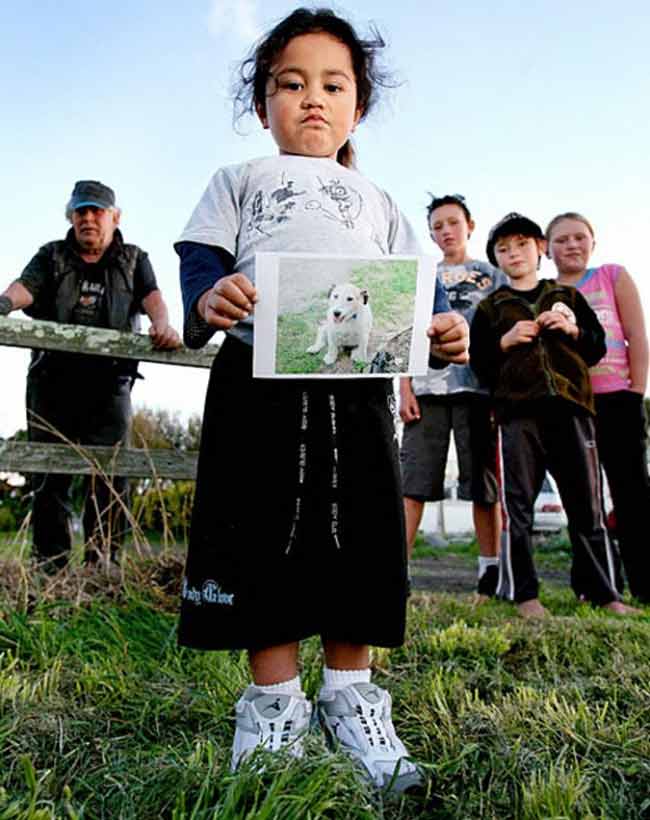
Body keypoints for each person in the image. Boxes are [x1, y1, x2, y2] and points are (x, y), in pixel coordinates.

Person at [174, 7, 468, 791]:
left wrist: (444, 329)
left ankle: (351, 698)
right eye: (291, 83)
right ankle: (272, 706)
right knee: (258, 527)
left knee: (363, 530)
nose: (312, 98)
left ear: (356, 108)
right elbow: (200, 266)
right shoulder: (237, 182)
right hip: (255, 389)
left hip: (357, 393)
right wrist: (211, 298)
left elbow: (422, 291)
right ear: (262, 103)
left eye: (332, 85)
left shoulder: (378, 200)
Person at [0, 180, 181, 570]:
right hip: (51, 382)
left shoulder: (133, 259)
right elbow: (25, 288)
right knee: (49, 475)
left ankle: (103, 566)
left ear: (114, 217)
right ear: (71, 216)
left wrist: (163, 324)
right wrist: (3, 303)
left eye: (96, 211)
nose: (87, 218)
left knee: (111, 477)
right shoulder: (52, 255)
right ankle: (51, 568)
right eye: (80, 211)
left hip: (109, 385)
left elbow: (153, 297)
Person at [469, 212, 637, 618]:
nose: (514, 254)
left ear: (540, 248)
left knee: (587, 504)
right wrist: (506, 342)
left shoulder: (567, 297)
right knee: (519, 506)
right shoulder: (492, 307)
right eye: (503, 249)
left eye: (522, 245)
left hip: (571, 409)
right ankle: (524, 595)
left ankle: (606, 593)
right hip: (517, 414)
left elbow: (596, 347)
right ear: (495, 258)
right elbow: (481, 366)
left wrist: (572, 331)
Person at [399, 194, 507, 598]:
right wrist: (405, 386)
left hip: (478, 391)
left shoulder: (491, 275)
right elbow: (405, 334)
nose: (446, 231)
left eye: (452, 223)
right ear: (430, 233)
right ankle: (398, 571)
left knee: (483, 485)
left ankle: (490, 571)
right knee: (414, 482)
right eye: (437, 226)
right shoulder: (422, 274)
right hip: (427, 389)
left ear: (469, 226)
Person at [546, 212, 650, 603]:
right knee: (582, 498)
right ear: (547, 248)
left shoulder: (612, 276)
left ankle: (644, 584)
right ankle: (597, 585)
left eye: (579, 238)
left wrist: (635, 389)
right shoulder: (546, 291)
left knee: (632, 494)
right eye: (561, 239)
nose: (572, 245)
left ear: (593, 242)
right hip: (572, 405)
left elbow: (637, 335)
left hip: (618, 399)